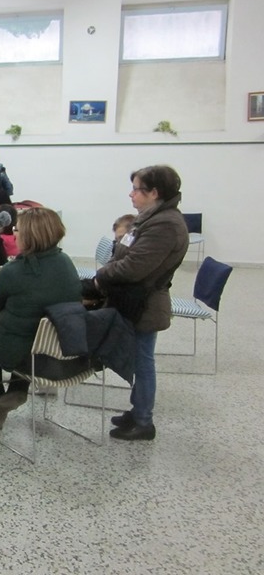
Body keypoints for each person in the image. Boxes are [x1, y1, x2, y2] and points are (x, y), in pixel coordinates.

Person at [95, 166, 188, 441]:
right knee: (140, 359)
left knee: (143, 362)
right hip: (134, 299)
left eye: (136, 189)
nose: (131, 194)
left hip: (145, 303)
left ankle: (144, 420)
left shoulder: (165, 225)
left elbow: (134, 266)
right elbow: (122, 252)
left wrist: (102, 275)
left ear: (154, 192)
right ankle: (137, 411)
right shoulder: (149, 218)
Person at [0, 207, 82, 428]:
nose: (14, 234)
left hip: (24, 351)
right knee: (24, 338)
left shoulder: (12, 271)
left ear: (30, 235)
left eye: (17, 229)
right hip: (61, 348)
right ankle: (15, 390)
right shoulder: (66, 262)